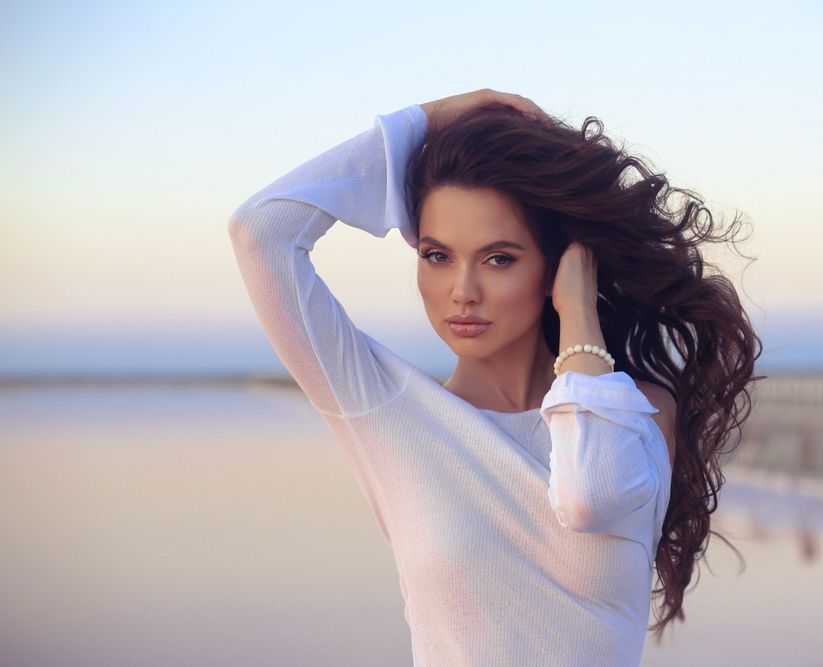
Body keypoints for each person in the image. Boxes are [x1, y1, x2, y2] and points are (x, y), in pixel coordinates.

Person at [228, 88, 763, 665]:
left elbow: (592, 496)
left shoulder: (641, 410)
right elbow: (260, 231)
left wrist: (579, 313)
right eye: (437, 256)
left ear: (558, 267)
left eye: (498, 258)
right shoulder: (383, 411)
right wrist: (427, 119)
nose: (462, 290)